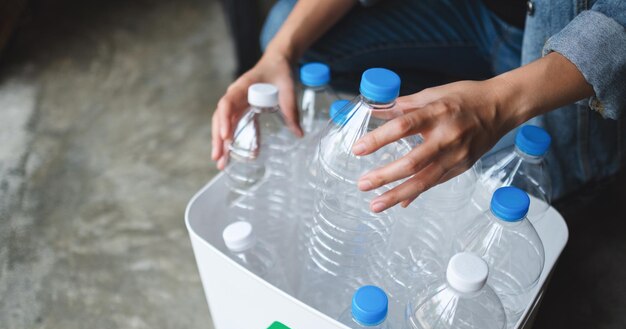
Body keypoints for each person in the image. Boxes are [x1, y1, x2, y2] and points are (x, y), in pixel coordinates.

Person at [211, 0, 625, 213]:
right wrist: (280, 52)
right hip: (469, 14)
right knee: (289, 32)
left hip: (563, 46)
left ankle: (482, 107)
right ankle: (459, 99)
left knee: (479, 198)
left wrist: (496, 106)